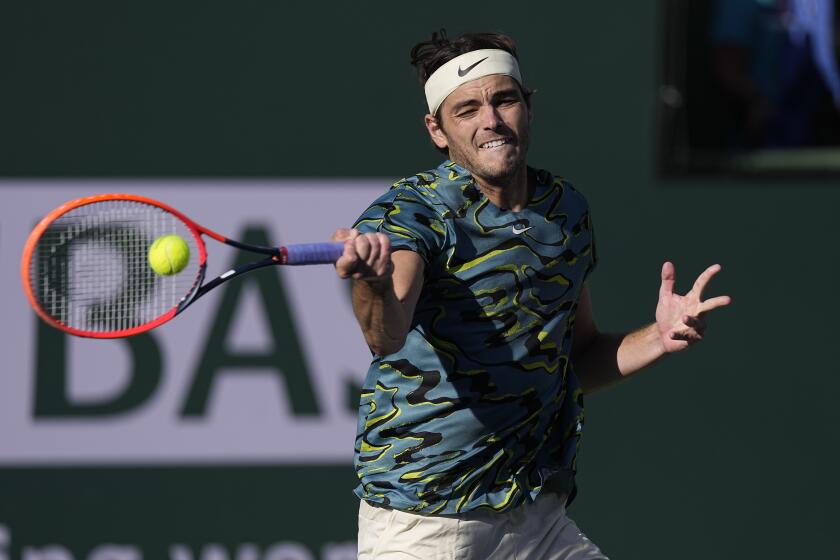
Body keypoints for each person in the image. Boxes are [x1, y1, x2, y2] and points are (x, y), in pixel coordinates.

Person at [332, 30, 731, 559]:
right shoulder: (410, 214)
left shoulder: (564, 209)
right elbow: (385, 335)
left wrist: (657, 337)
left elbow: (576, 360)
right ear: (437, 130)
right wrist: (375, 281)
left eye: (504, 100)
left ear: (527, 106)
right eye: (467, 110)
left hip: (535, 518)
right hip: (425, 521)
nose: (491, 121)